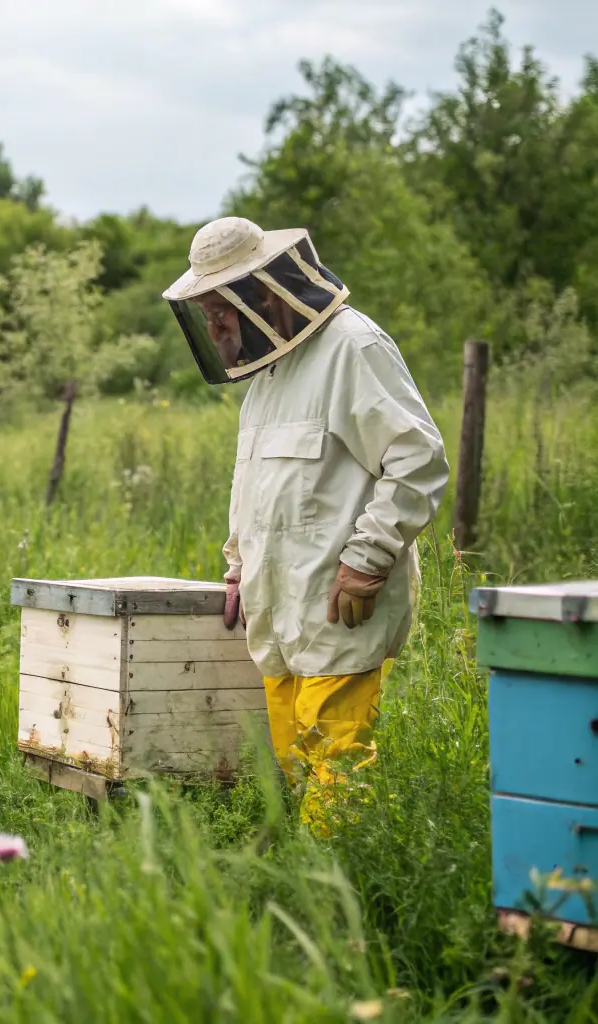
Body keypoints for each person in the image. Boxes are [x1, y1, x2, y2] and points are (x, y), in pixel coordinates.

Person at [162, 216, 450, 829]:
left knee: (337, 780)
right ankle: (317, 886)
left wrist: (367, 561)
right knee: (297, 767)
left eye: (221, 312)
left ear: (261, 296)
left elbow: (417, 460)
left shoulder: (353, 347)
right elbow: (256, 490)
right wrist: (238, 567)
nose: (214, 329)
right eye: (206, 314)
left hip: (338, 605)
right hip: (277, 611)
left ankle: (338, 902)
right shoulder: (264, 375)